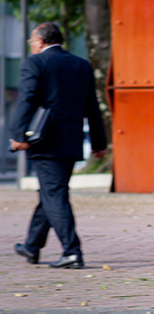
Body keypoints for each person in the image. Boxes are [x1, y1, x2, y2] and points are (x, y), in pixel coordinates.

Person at [10, 22, 107, 269]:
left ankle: (72, 251)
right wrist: (98, 142)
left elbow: (27, 100)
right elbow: (92, 107)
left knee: (54, 195)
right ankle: (32, 246)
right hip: (71, 142)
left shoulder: (36, 63)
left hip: (45, 142)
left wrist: (18, 134)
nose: (31, 46)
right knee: (51, 194)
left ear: (41, 41)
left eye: (32, 41)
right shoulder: (81, 65)